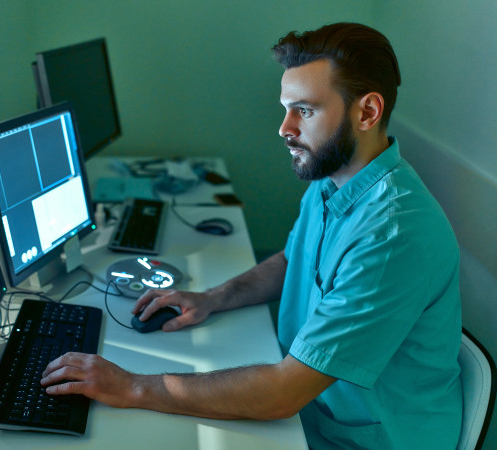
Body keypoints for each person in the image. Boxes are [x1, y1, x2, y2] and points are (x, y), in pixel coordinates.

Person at [41, 22, 462, 448]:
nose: (285, 127)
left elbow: (282, 393)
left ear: (367, 112)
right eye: (286, 108)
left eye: (306, 110)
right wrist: (213, 298)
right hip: (308, 409)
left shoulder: (393, 236)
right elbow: (295, 260)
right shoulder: (334, 176)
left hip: (358, 439)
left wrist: (130, 386)